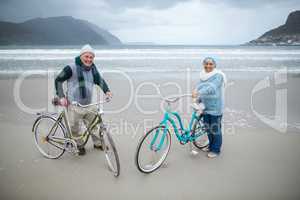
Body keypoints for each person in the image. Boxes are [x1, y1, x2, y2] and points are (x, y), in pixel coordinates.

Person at [54, 44, 112, 155]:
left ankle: (98, 143)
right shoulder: (71, 68)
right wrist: (61, 97)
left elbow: (99, 80)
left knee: (94, 125)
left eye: (91, 57)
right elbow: (58, 80)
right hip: (74, 105)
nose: (89, 59)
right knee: (75, 128)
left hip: (89, 104)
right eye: (86, 56)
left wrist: (107, 91)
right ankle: (79, 145)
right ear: (81, 56)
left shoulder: (93, 69)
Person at [192, 57, 226, 158]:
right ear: (203, 64)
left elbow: (212, 88)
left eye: (211, 64)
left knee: (215, 130)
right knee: (208, 129)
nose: (208, 66)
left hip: (215, 108)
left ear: (215, 65)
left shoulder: (219, 76)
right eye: (206, 64)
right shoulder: (203, 75)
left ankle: (216, 150)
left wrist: (198, 92)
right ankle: (211, 146)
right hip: (205, 107)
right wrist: (197, 98)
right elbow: (200, 87)